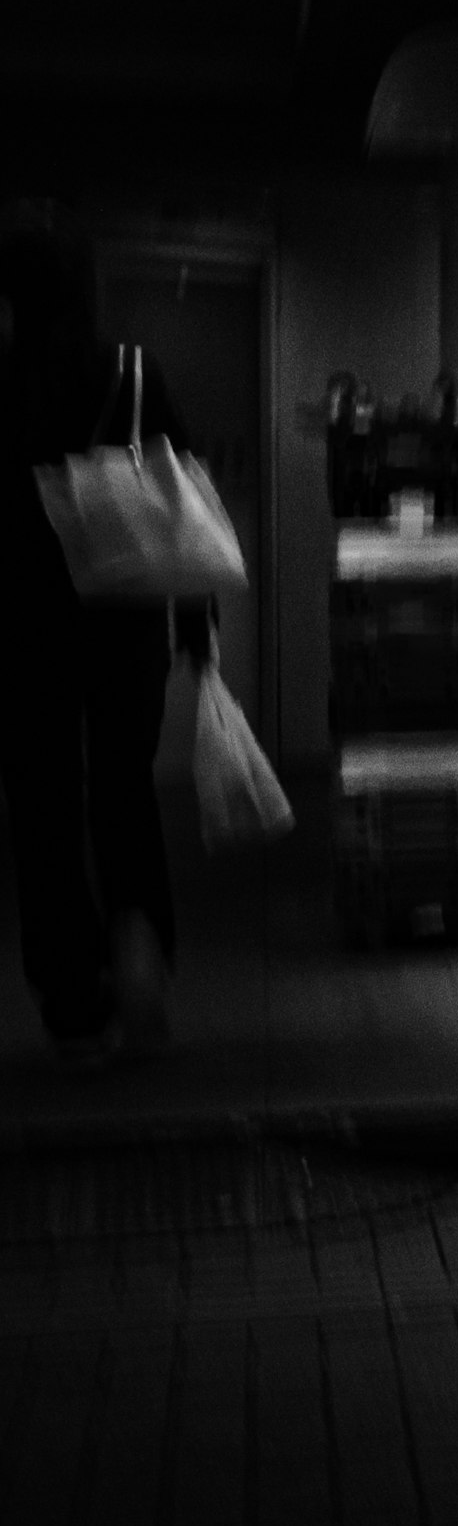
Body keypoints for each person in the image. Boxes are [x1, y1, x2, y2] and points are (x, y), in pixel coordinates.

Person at [1, 232, 184, 1067]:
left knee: (42, 802)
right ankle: (140, 958)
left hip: (28, 625)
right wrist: (201, 626)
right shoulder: (130, 373)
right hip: (128, 616)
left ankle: (70, 992)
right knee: (124, 790)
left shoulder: (8, 386)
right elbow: (185, 496)